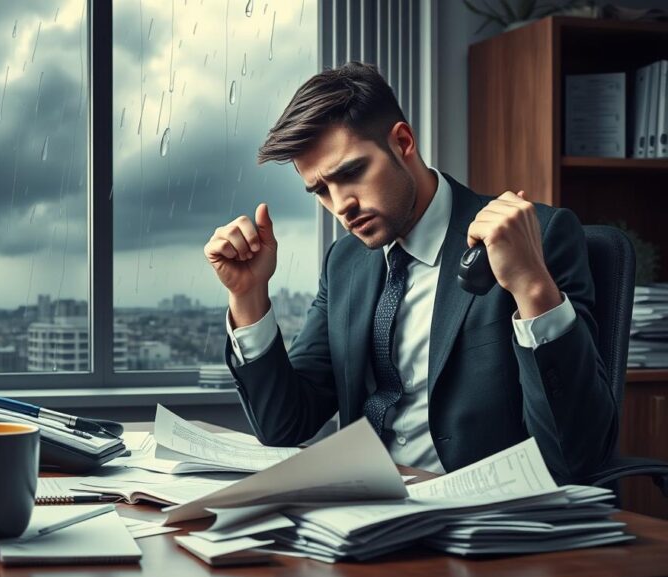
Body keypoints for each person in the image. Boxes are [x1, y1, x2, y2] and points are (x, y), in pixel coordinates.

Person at [203, 61, 616, 481]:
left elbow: (576, 455)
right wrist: (248, 297)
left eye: (352, 172)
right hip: (363, 513)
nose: (341, 205)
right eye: (321, 190)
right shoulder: (344, 262)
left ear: (402, 141)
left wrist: (531, 286)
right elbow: (285, 425)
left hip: (485, 519)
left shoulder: (538, 238)